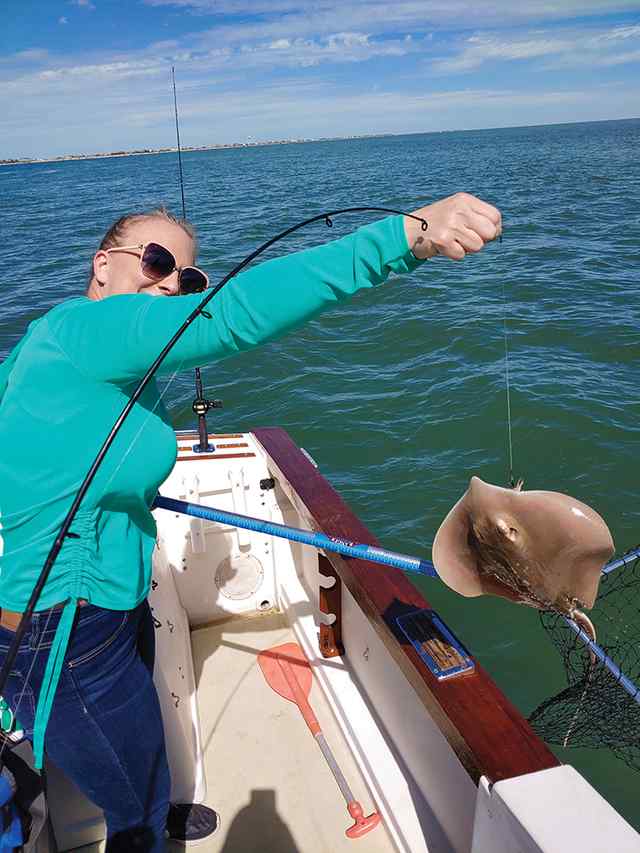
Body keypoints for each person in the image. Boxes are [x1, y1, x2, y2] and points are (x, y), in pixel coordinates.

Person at [0, 191, 501, 851]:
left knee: (145, 743)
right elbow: (229, 315)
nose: (172, 283)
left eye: (187, 277)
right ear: (102, 265)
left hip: (118, 595)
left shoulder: (97, 362)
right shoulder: (82, 331)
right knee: (131, 802)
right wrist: (403, 239)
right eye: (155, 261)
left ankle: (155, 805)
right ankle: (143, 827)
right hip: (63, 626)